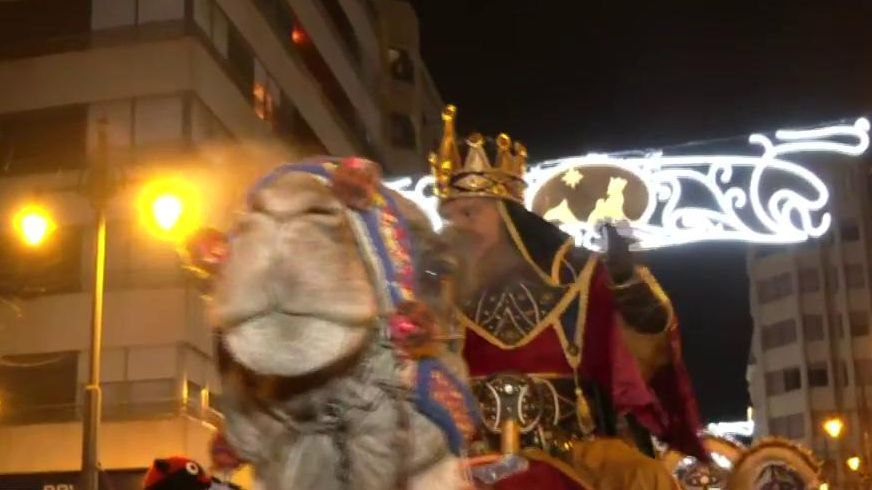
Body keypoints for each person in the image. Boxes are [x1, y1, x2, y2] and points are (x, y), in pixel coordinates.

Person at [431, 105, 707, 489]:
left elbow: (641, 355)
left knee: (646, 479)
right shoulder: (439, 290)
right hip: (463, 451)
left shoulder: (579, 275)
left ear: (507, 217)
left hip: (570, 449)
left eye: (470, 213)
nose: (458, 227)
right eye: (451, 217)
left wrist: (631, 290)